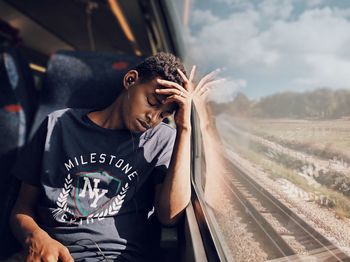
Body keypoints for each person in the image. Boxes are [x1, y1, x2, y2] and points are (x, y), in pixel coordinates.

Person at [9, 52, 219, 261]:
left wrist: (185, 128)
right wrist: (35, 238)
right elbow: (21, 208)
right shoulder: (57, 125)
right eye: (152, 102)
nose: (153, 118)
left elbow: (170, 216)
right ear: (130, 80)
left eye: (164, 115)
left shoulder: (162, 140)